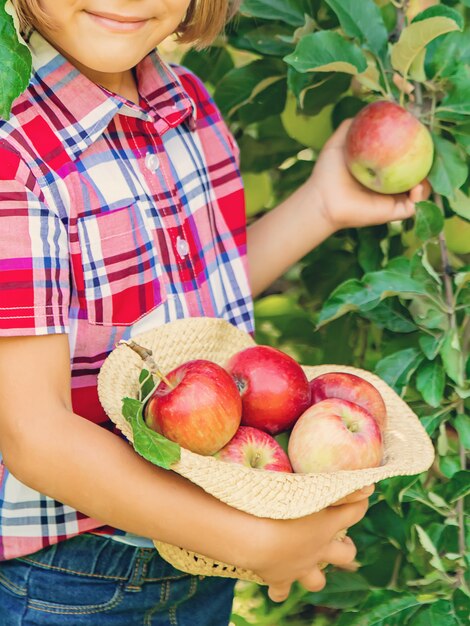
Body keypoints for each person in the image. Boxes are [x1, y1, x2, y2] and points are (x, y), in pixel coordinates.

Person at [0, 1, 428, 624]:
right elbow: (34, 436)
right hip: (76, 575)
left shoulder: (188, 103)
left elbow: (198, 300)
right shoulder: (16, 155)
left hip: (201, 555)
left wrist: (321, 205)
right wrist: (255, 543)